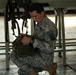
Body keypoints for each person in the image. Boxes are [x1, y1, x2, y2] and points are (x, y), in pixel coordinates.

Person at [10, 2, 57, 75]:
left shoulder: (49, 28)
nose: (33, 19)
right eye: (32, 17)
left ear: (42, 13)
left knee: (14, 55)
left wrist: (31, 41)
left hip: (44, 59)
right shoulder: (41, 22)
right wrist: (27, 36)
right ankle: (36, 70)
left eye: (36, 16)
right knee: (21, 70)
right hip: (37, 53)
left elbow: (50, 48)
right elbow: (38, 38)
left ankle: (37, 71)